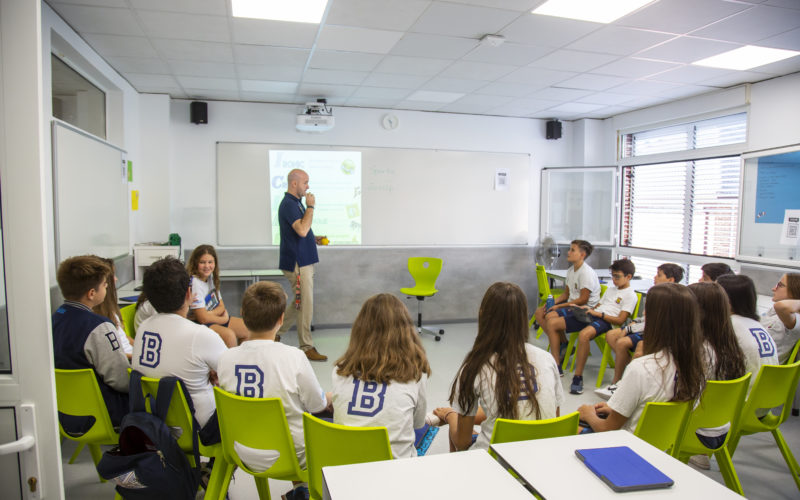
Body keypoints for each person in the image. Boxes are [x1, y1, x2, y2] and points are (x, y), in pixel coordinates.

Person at [218, 281, 327, 500]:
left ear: (242, 314)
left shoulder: (225, 358)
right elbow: (317, 405)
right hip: (289, 456)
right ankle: (305, 490)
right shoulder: (293, 357)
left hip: (240, 448)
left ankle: (299, 490)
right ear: (280, 320)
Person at [433, 282, 563, 452]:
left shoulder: (475, 367)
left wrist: (450, 416)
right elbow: (554, 417)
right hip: (543, 456)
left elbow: (462, 442)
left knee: (456, 431)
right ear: (523, 317)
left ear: (483, 316)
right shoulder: (547, 358)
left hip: (496, 463)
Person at [578, 283, 705, 433]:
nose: (644, 314)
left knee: (571, 426)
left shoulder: (640, 368)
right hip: (660, 445)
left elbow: (607, 428)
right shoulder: (695, 364)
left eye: (647, 310)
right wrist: (616, 409)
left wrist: (588, 414)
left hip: (627, 446)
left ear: (655, 320)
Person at [132, 257, 228, 445]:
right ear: (188, 293)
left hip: (155, 424)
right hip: (199, 429)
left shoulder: (143, 327)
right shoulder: (200, 335)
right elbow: (235, 375)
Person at [330, 293, 430, 459]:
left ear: (359, 329)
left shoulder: (340, 370)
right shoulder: (416, 373)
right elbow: (418, 423)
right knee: (426, 429)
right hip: (393, 474)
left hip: (345, 470)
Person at [52, 255, 129, 426]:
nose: (108, 286)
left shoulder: (55, 318)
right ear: (92, 293)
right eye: (104, 284)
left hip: (64, 413)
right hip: (104, 415)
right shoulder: (100, 326)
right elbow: (121, 380)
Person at [597, 263, 684, 398]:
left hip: (653, 332)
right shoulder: (654, 292)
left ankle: (623, 381)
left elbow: (654, 323)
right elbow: (645, 318)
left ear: (670, 280)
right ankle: (621, 377)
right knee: (611, 334)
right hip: (644, 327)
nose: (655, 277)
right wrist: (634, 323)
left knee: (622, 342)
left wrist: (628, 328)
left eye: (659, 275)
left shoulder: (674, 298)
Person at [686, 281, 748, 470]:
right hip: (721, 429)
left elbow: (685, 397)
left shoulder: (702, 351)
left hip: (695, 433)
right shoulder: (731, 347)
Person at [277, 168, 327, 361]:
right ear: (294, 183)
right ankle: (306, 346)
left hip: (303, 259)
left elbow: (303, 232)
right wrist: (311, 207)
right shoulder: (290, 204)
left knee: (299, 303)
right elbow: (302, 230)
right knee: (305, 303)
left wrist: (313, 238)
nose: (308, 186)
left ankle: (275, 334)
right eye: (305, 182)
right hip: (297, 263)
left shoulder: (295, 203)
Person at [568, 259, 639, 395]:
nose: (613, 279)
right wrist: (587, 309)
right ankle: (562, 351)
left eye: (617, 276)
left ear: (628, 277)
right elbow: (598, 306)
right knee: (563, 318)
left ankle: (577, 378)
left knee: (584, 335)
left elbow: (620, 320)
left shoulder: (631, 295)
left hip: (606, 321)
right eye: (612, 275)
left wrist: (598, 314)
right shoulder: (611, 290)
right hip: (595, 315)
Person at [538, 240, 601, 368]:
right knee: (540, 312)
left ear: (582, 255)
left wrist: (559, 306)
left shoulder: (586, 273)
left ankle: (556, 364)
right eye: (570, 249)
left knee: (551, 319)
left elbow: (583, 300)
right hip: (572, 307)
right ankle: (564, 344)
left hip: (584, 312)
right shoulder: (571, 270)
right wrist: (552, 303)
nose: (568, 252)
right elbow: (566, 295)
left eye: (573, 250)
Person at [717, 274, 779, 385]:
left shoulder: (729, 326)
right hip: (765, 396)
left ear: (728, 301)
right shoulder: (756, 324)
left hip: (743, 397)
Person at [187, 244, 249, 347]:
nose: (207, 266)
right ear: (195, 263)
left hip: (212, 318)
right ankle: (230, 363)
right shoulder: (195, 283)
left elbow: (221, 307)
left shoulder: (211, 278)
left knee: (247, 328)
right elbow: (202, 318)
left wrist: (209, 313)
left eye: (210, 262)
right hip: (200, 323)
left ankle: (242, 360)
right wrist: (222, 319)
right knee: (229, 336)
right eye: (202, 262)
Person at [93, 257, 134, 359]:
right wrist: (137, 357)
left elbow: (123, 337)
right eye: (112, 276)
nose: (116, 279)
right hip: (126, 361)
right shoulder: (98, 318)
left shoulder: (109, 308)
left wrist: (141, 348)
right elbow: (113, 355)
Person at [761, 273, 800, 363]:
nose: (773, 289)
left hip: (764, 368)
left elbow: (781, 307)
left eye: (780, 285)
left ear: (794, 290)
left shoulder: (795, 318)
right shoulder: (773, 311)